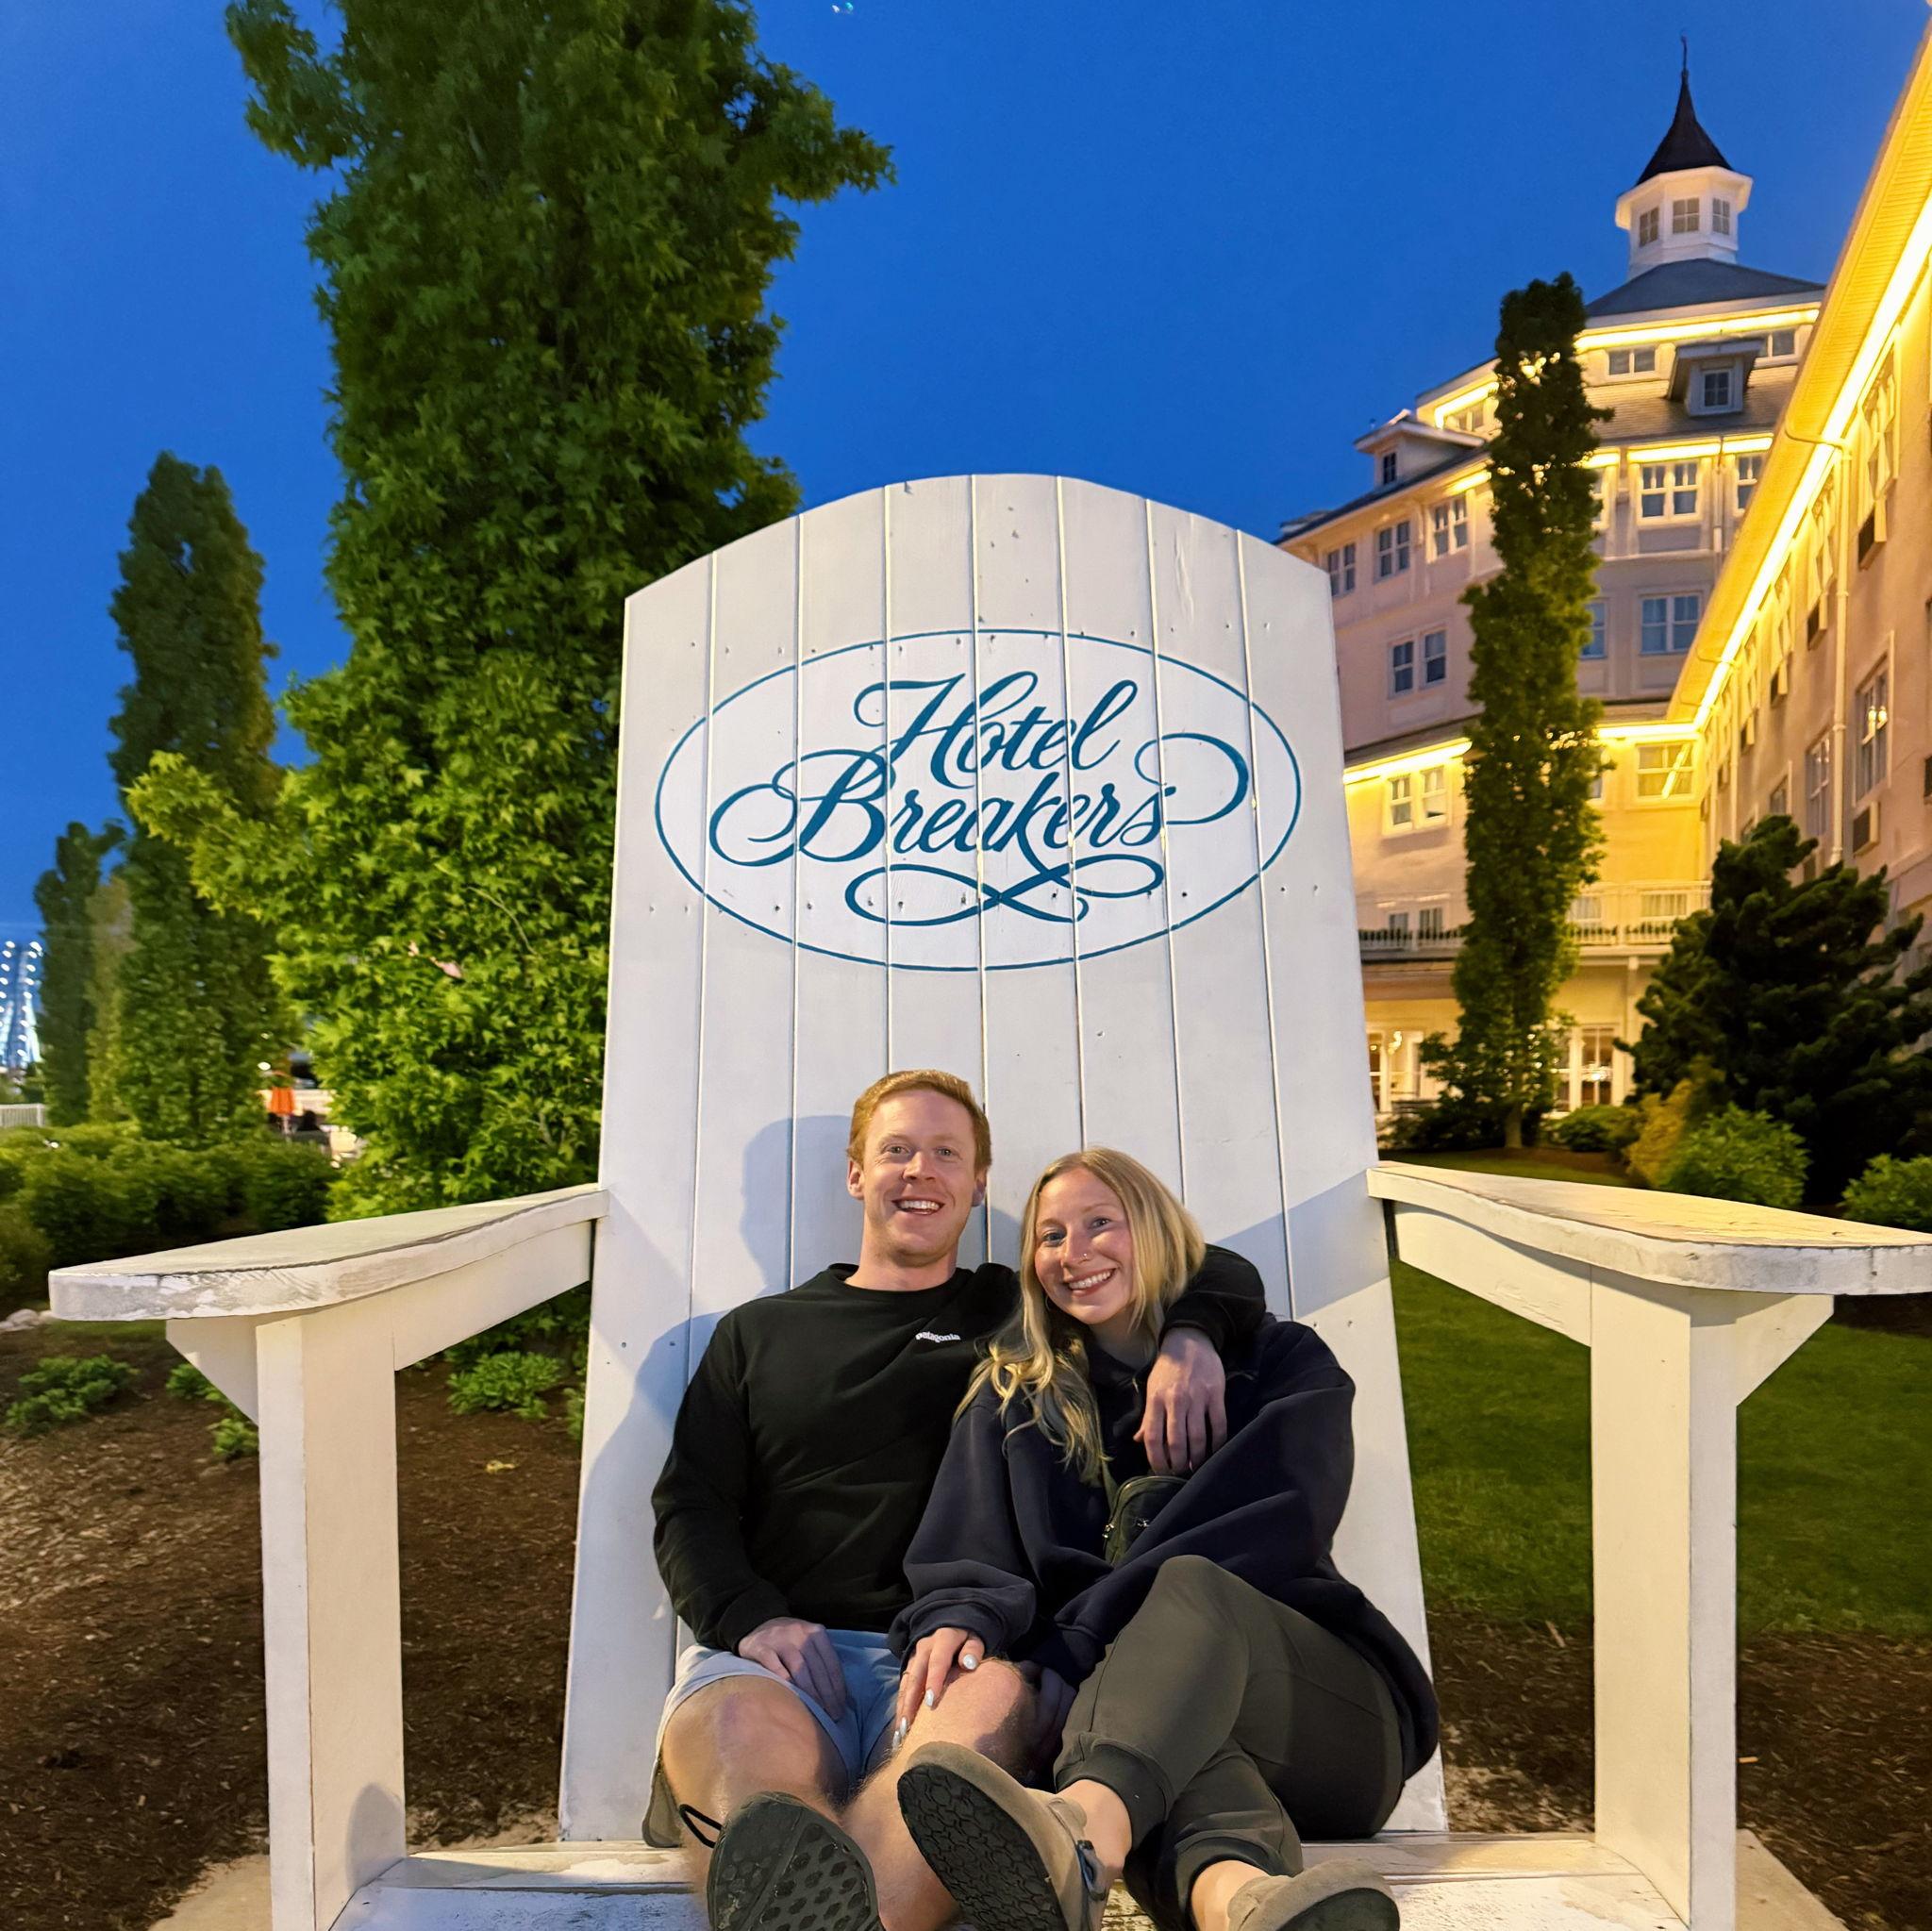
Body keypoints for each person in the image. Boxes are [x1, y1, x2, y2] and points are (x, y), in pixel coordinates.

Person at [650, 1073, 1267, 1931]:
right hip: (785, 1656)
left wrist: (1193, 1332)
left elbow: (1206, 1265)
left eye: (947, 1153)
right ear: (857, 1173)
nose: (920, 1170)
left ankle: (826, 1913)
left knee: (951, 1770)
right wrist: (753, 1619)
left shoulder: (1022, 1314)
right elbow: (691, 1504)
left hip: (959, 1657)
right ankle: (790, 1887)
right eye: (896, 1149)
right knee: (750, 1767)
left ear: (979, 1183)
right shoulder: (757, 1333)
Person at [887, 1147, 1439, 1931]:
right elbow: (970, 1545)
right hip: (1126, 1730)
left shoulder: (1281, 1366)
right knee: (1143, 1728)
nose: (1073, 1254)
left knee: (1188, 1589)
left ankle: (1078, 1834)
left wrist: (1077, 1647)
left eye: (1099, 1223)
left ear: (1154, 1228)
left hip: (1330, 1721)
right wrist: (961, 1615)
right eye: (1049, 1236)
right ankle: (1243, 1901)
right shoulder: (1015, 1398)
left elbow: (1273, 1526)